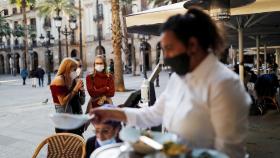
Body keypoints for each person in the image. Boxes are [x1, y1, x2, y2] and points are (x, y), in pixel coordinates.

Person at [90, 7, 251, 158]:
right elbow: (153, 114)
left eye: (169, 48)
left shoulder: (225, 85)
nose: (165, 56)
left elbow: (228, 152)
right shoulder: (178, 78)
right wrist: (110, 113)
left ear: (192, 45)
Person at [49, 58, 84, 134]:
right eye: (74, 69)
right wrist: (75, 89)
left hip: (72, 116)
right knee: (65, 143)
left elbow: (82, 102)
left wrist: (82, 91)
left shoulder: (72, 80)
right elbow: (63, 102)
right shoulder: (59, 79)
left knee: (77, 142)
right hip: (63, 118)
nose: (76, 71)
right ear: (67, 68)